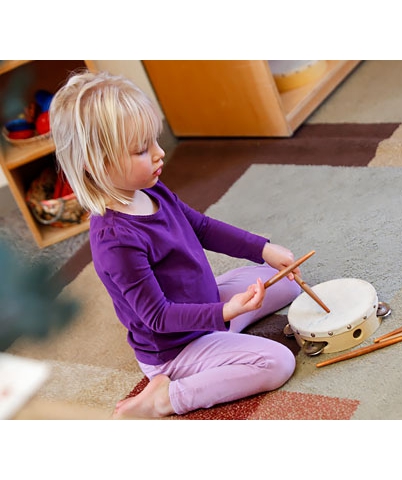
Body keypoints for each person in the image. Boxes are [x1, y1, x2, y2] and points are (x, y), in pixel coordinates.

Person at [49, 70, 302, 419]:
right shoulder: (115, 242)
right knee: (277, 362)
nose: (159, 154)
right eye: (141, 149)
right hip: (175, 347)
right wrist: (227, 312)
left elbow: (200, 226)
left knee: (287, 283)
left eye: (154, 140)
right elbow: (158, 317)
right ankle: (164, 398)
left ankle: (225, 330)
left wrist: (263, 249)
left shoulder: (149, 189)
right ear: (96, 165)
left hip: (205, 307)